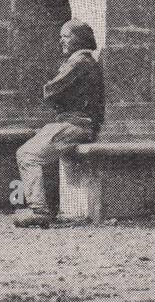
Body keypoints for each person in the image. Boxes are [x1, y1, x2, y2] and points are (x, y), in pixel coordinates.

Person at [13, 21, 104, 228]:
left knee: (27, 155)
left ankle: (40, 210)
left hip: (75, 124)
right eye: (61, 36)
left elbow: (51, 91)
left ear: (79, 39)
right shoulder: (84, 61)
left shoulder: (78, 62)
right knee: (36, 151)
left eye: (67, 36)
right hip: (76, 123)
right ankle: (45, 206)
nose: (62, 40)